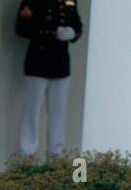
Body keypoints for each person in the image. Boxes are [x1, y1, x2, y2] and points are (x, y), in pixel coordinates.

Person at [16, 0, 82, 158]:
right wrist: (51, 33)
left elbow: (77, 24)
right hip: (38, 61)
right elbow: (21, 28)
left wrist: (73, 33)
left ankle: (54, 153)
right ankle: (27, 153)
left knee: (58, 113)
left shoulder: (70, 0)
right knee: (32, 110)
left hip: (60, 64)